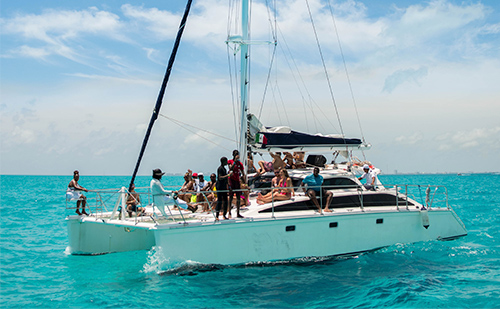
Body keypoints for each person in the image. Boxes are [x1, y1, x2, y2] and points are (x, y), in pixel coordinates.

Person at [228, 150, 245, 218]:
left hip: (237, 181)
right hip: (231, 180)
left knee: (238, 197)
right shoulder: (230, 161)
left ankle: (238, 212)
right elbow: (230, 168)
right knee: (231, 197)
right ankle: (229, 212)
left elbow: (243, 173)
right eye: (235, 154)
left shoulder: (240, 164)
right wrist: (234, 161)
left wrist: (245, 183)